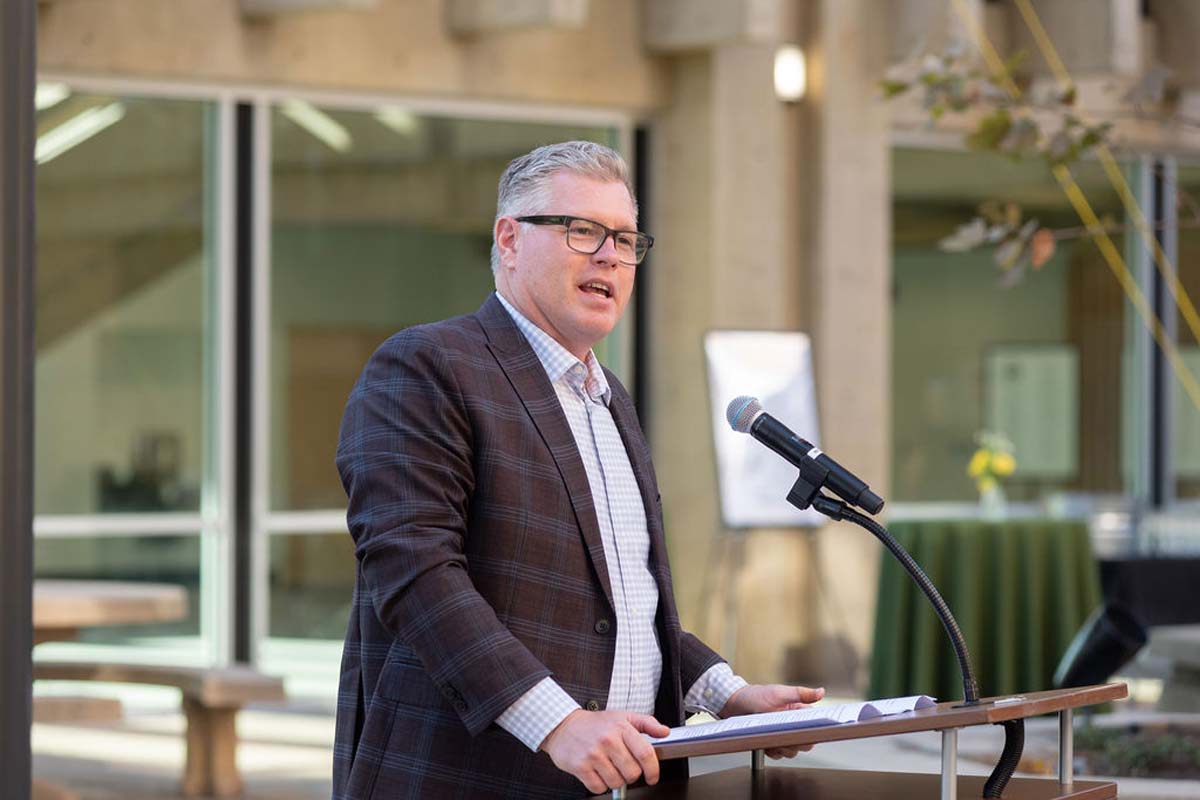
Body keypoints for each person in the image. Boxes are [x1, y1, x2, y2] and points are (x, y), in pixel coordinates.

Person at [332, 141, 823, 799]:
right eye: (582, 231)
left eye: (624, 238)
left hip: (625, 780)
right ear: (509, 240)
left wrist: (728, 694)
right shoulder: (427, 367)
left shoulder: (609, 397)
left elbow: (621, 607)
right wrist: (559, 722)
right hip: (472, 776)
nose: (609, 256)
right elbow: (416, 574)